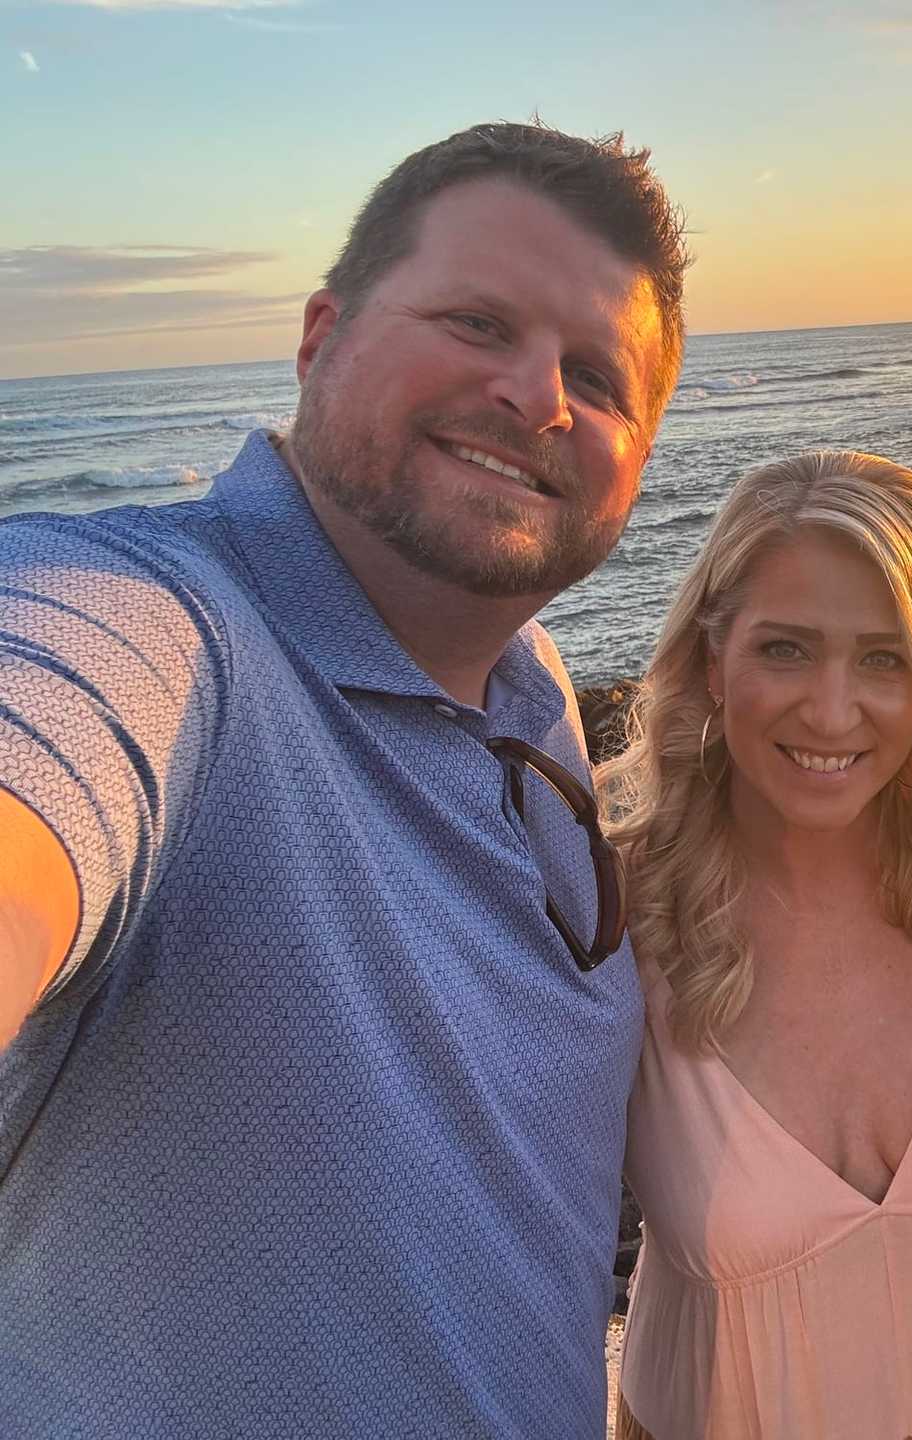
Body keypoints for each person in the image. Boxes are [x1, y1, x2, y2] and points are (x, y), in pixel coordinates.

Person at [0, 122, 688, 1436]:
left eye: (597, 378)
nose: (539, 394)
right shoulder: (152, 630)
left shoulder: (529, 686)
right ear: (322, 335)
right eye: (479, 321)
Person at [599, 451, 912, 1440]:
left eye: (885, 658)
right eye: (786, 650)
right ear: (712, 660)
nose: (833, 710)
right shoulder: (617, 909)